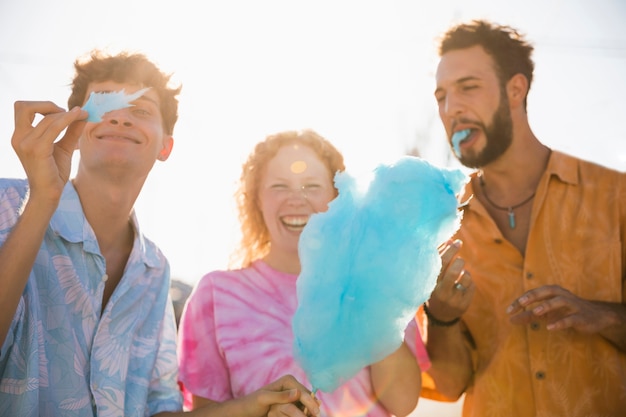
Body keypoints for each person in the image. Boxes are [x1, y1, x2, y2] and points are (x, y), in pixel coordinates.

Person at [0, 50, 319, 417]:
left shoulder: (153, 269)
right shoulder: (7, 206)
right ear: (74, 126)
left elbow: (159, 411)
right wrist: (42, 201)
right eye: (103, 105)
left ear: (165, 146)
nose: (120, 117)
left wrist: (255, 406)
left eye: (141, 111)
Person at [420, 19, 626, 415]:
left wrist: (602, 315)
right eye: (441, 96)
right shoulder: (438, 228)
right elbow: (447, 386)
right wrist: (441, 319)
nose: (451, 110)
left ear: (516, 89)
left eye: (468, 88)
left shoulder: (614, 197)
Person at [177, 129, 431, 417]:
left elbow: (404, 402)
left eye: (312, 186)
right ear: (256, 199)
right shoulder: (216, 295)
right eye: (279, 186)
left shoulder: (377, 282)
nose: (296, 200)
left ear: (337, 199)